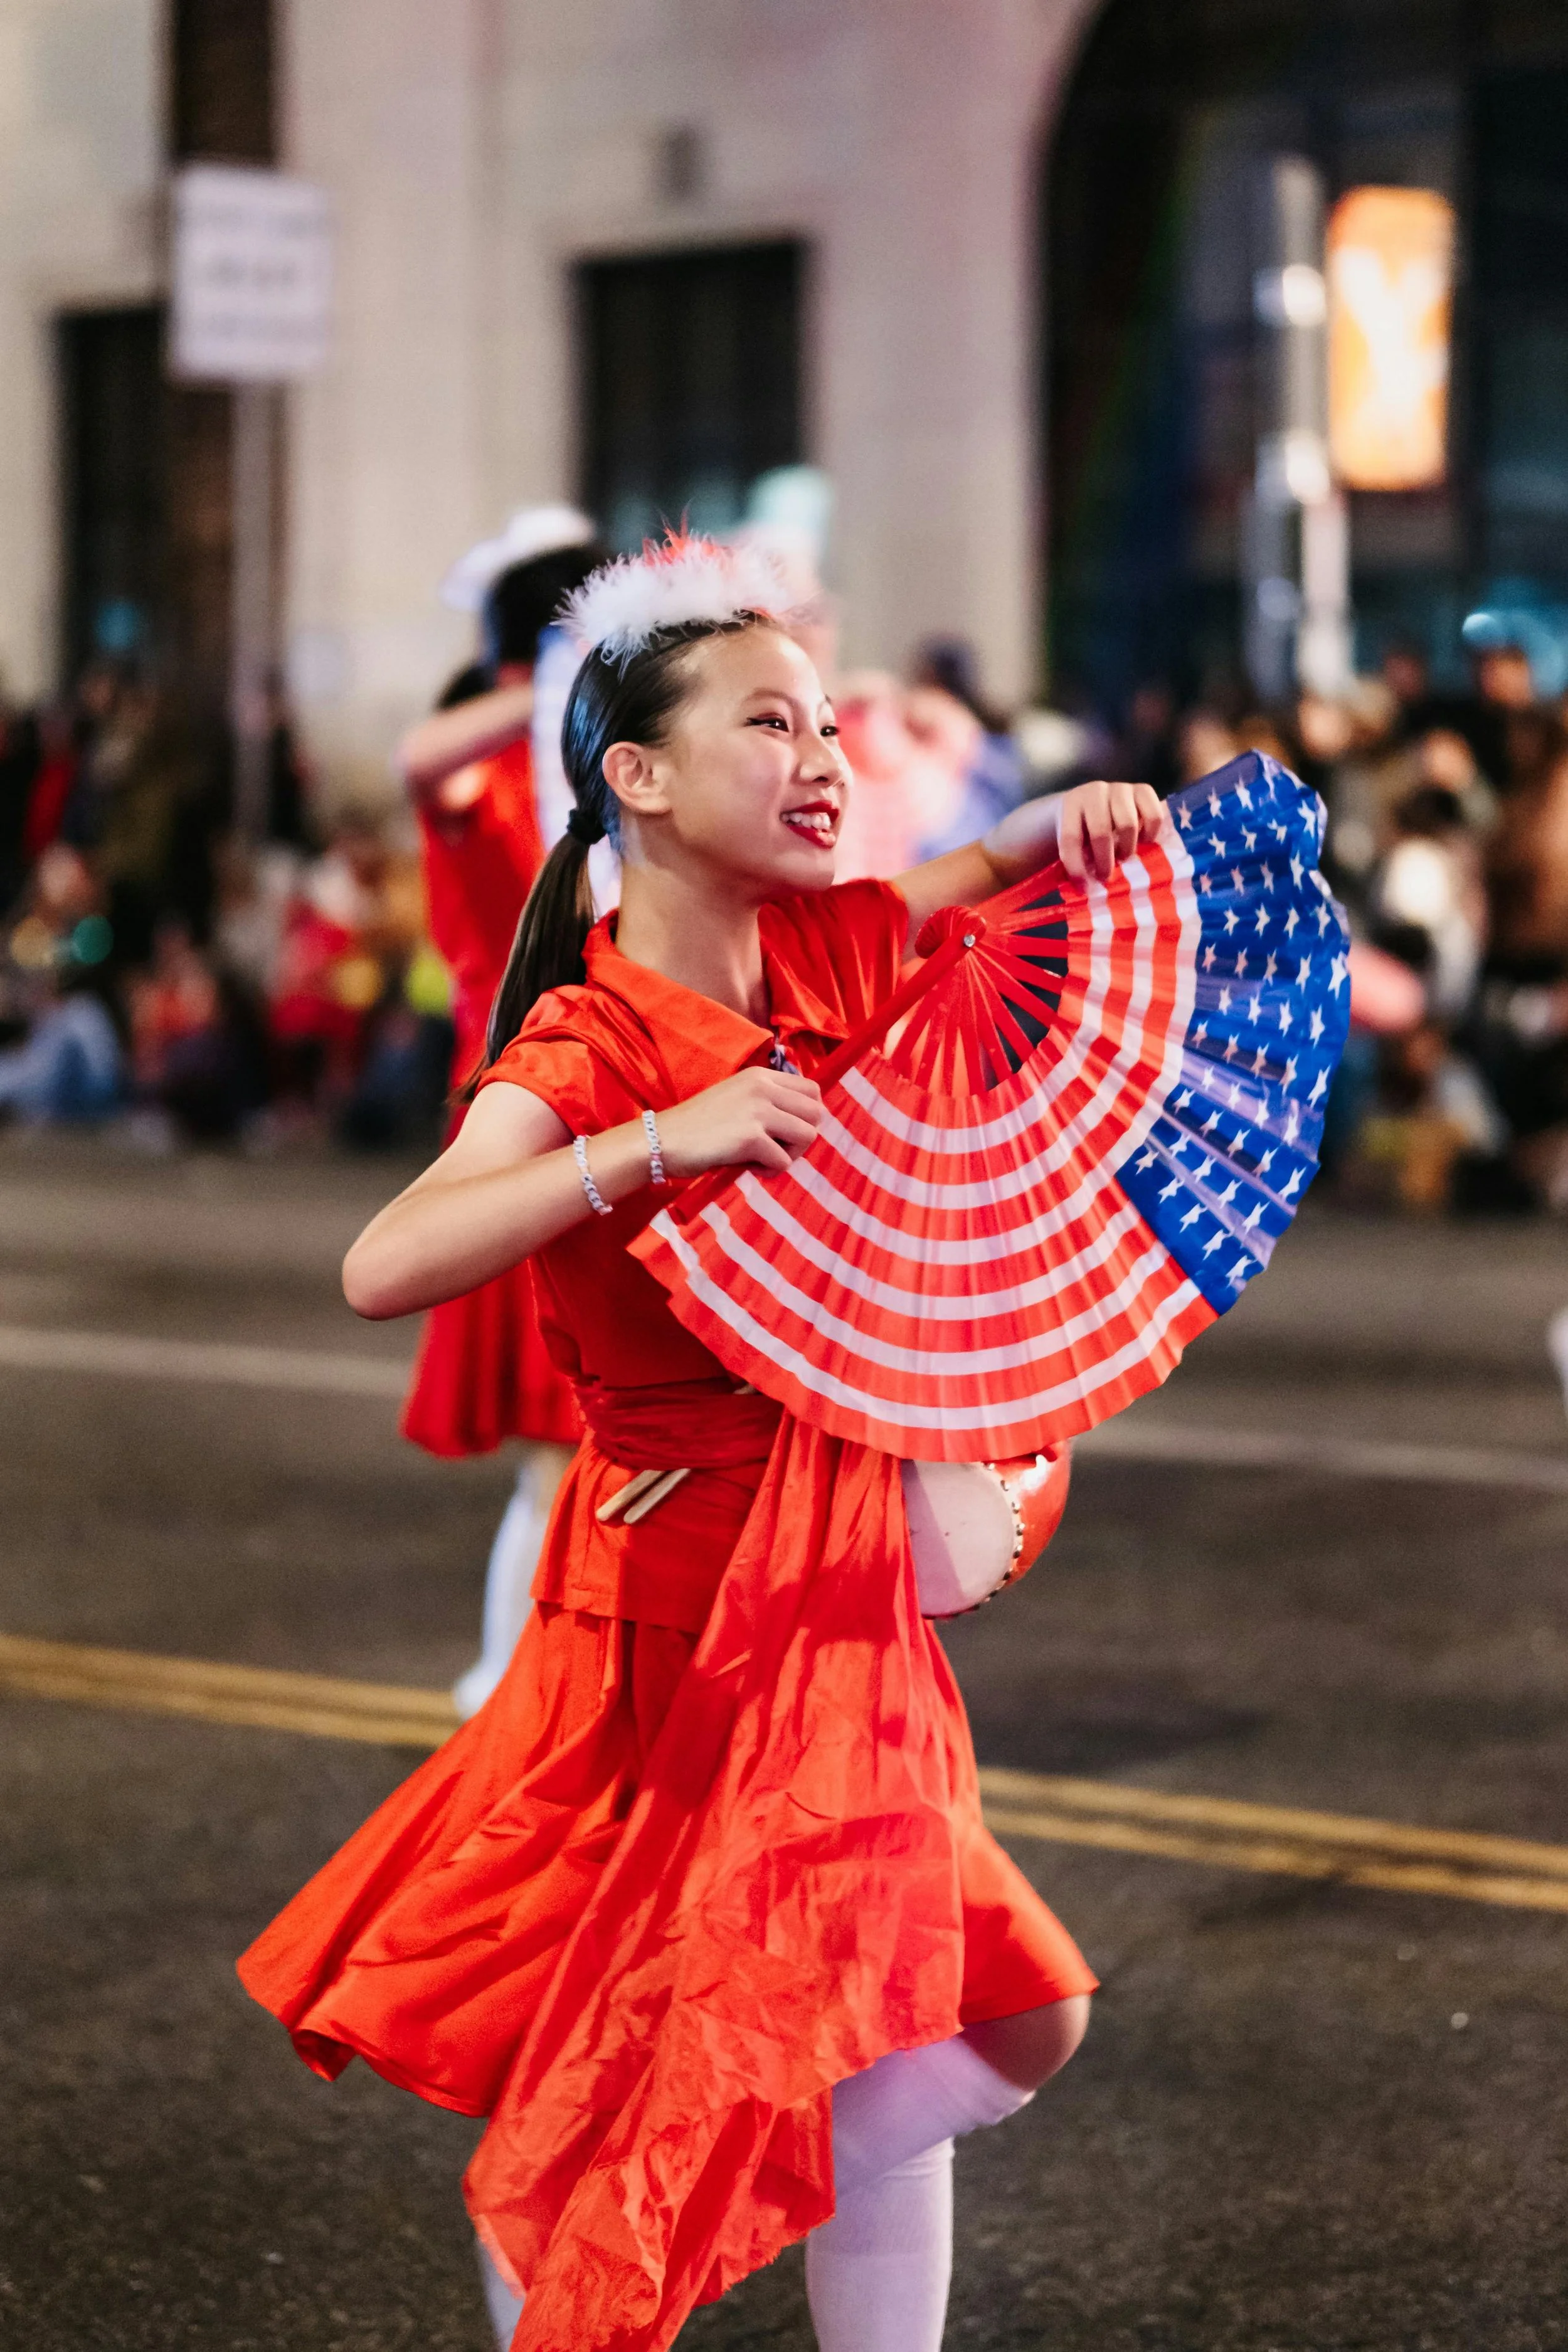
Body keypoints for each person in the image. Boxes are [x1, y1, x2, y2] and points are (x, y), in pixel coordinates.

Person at [239, 531, 1165, 2352]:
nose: (822, 755)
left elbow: (973, 868)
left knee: (965, 2007)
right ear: (635, 778)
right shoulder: (584, 1038)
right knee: (624, 2075)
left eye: (827, 720)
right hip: (662, 1626)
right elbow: (381, 1258)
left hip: (841, 1605)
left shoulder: (832, 944)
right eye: (770, 721)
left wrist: (1080, 821)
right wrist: (658, 1142)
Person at [398, 510, 610, 1717]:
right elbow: (420, 763)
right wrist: (548, 683)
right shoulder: (492, 775)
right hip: (521, 1128)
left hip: (591, 1123)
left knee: (592, 1449)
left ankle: (532, 1689)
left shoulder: (575, 779)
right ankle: (508, 1692)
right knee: (561, 1450)